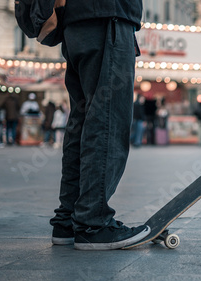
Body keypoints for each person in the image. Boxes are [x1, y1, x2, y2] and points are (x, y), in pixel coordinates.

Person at [49, 0, 150, 250]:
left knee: (82, 122)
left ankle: (68, 221)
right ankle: (92, 224)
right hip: (107, 17)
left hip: (76, 23)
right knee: (107, 120)